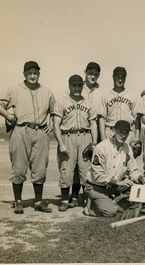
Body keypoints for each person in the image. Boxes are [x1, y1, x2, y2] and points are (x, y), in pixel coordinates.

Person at [0, 61, 55, 214]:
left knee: (40, 168)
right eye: (29, 73)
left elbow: (54, 112)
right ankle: (18, 202)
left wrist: (51, 124)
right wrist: (8, 115)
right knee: (19, 168)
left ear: (39, 74)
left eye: (35, 73)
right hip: (20, 131)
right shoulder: (15, 89)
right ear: (24, 74)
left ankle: (39, 201)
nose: (32, 75)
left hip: (40, 132)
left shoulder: (47, 92)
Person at [84, 120, 145, 217]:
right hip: (97, 186)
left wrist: (141, 178)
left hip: (114, 186)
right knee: (111, 212)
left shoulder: (127, 148)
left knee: (137, 187)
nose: (123, 135)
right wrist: (119, 182)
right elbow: (99, 176)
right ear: (114, 131)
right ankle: (91, 207)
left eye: (126, 133)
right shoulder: (101, 147)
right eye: (120, 132)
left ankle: (112, 201)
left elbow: (133, 171)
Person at [52, 75, 98, 211]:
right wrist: (61, 143)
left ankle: (85, 200)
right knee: (66, 169)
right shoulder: (61, 103)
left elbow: (93, 124)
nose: (77, 88)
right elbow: (56, 125)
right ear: (69, 86)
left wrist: (94, 142)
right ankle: (65, 200)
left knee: (85, 169)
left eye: (79, 86)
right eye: (74, 86)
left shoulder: (89, 103)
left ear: (82, 87)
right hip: (68, 136)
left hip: (85, 136)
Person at [70, 62, 106, 206]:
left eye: (96, 74)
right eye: (90, 73)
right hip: (82, 128)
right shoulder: (77, 86)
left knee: (92, 164)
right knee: (77, 164)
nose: (93, 76)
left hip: (97, 126)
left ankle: (89, 195)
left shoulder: (103, 91)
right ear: (85, 72)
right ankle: (73, 196)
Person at [98, 66, 141, 144]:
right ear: (113, 77)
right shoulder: (105, 96)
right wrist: (103, 138)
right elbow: (101, 119)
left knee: (127, 156)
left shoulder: (132, 96)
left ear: (125, 78)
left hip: (127, 134)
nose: (120, 80)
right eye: (117, 77)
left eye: (122, 77)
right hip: (110, 132)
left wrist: (136, 137)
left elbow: (137, 118)